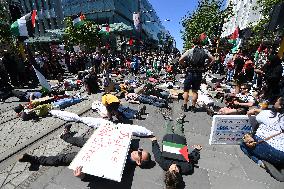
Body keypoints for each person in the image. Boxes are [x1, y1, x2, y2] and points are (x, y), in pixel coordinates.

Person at [18, 124, 151, 178]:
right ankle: (66, 136)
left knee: (62, 159)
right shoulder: (131, 148)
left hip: (89, 157)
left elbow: (100, 172)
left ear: (138, 162)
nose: (137, 150)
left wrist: (82, 176)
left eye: (139, 153)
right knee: (78, 140)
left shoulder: (122, 168)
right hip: (95, 145)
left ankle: (33, 159)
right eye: (140, 150)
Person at [149, 114, 202, 189]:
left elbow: (156, 153)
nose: (175, 167)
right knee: (179, 129)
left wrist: (154, 142)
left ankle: (168, 120)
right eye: (176, 171)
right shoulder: (186, 168)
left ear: (167, 172)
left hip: (169, 139)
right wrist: (196, 150)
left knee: (168, 129)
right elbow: (192, 158)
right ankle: (179, 121)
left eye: (172, 170)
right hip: (180, 140)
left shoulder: (163, 163)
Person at [240, 97, 284, 181]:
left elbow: (256, 118)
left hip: (271, 150)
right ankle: (278, 164)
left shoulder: (267, 114)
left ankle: (262, 163)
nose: (275, 102)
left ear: (280, 106)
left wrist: (256, 110)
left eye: (277, 101)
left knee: (243, 144)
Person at [179, 37, 214, 112]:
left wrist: (185, 65)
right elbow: (213, 59)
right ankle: (193, 107)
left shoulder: (189, 51)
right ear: (200, 43)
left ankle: (185, 106)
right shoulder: (205, 51)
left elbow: (180, 60)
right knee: (195, 91)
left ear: (193, 43)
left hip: (190, 72)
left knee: (186, 90)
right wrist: (206, 66)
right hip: (199, 73)